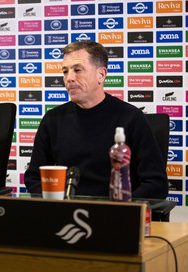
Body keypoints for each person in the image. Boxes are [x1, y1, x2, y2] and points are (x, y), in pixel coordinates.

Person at [24, 41, 168, 200]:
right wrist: (56, 204)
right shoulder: (53, 119)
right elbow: (34, 177)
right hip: (64, 214)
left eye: (77, 70)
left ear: (101, 75)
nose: (69, 78)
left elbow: (155, 184)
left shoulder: (131, 118)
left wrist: (120, 209)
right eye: (65, 71)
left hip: (114, 215)